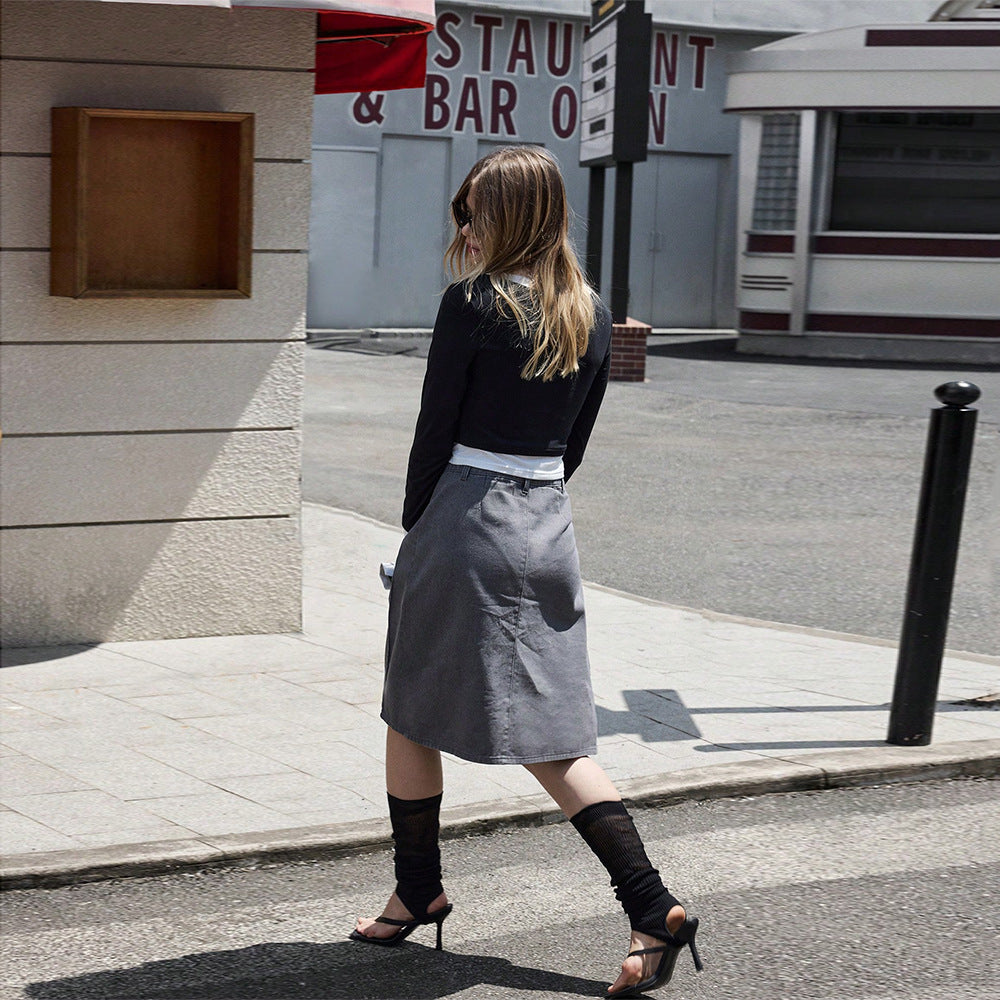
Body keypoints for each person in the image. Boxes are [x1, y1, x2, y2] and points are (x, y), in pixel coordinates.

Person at [350, 145, 703, 997]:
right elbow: (572, 444)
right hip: (546, 521)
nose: (463, 228)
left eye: (472, 212)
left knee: (415, 708)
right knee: (534, 728)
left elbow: (435, 432)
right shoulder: (592, 311)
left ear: (502, 215)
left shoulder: (471, 304)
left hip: (467, 517)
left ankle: (430, 886)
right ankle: (639, 905)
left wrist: (420, 532)